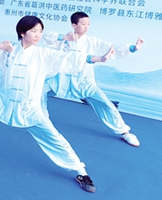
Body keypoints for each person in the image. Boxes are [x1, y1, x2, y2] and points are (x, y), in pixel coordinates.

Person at [0, 15, 112, 193]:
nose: (38, 35)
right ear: (23, 33)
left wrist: (97, 59)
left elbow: (68, 59)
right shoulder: (8, 50)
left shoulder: (43, 54)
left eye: (40, 31)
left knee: (55, 139)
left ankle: (81, 172)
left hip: (28, 108)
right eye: (34, 31)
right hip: (1, 99)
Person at [44, 11, 144, 147]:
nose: (87, 27)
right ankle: (39, 120)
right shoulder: (64, 40)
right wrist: (66, 37)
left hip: (83, 81)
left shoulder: (91, 42)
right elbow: (47, 37)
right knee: (37, 92)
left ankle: (124, 132)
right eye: (83, 24)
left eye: (88, 24)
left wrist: (132, 48)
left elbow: (111, 47)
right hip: (61, 79)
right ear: (74, 25)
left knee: (106, 104)